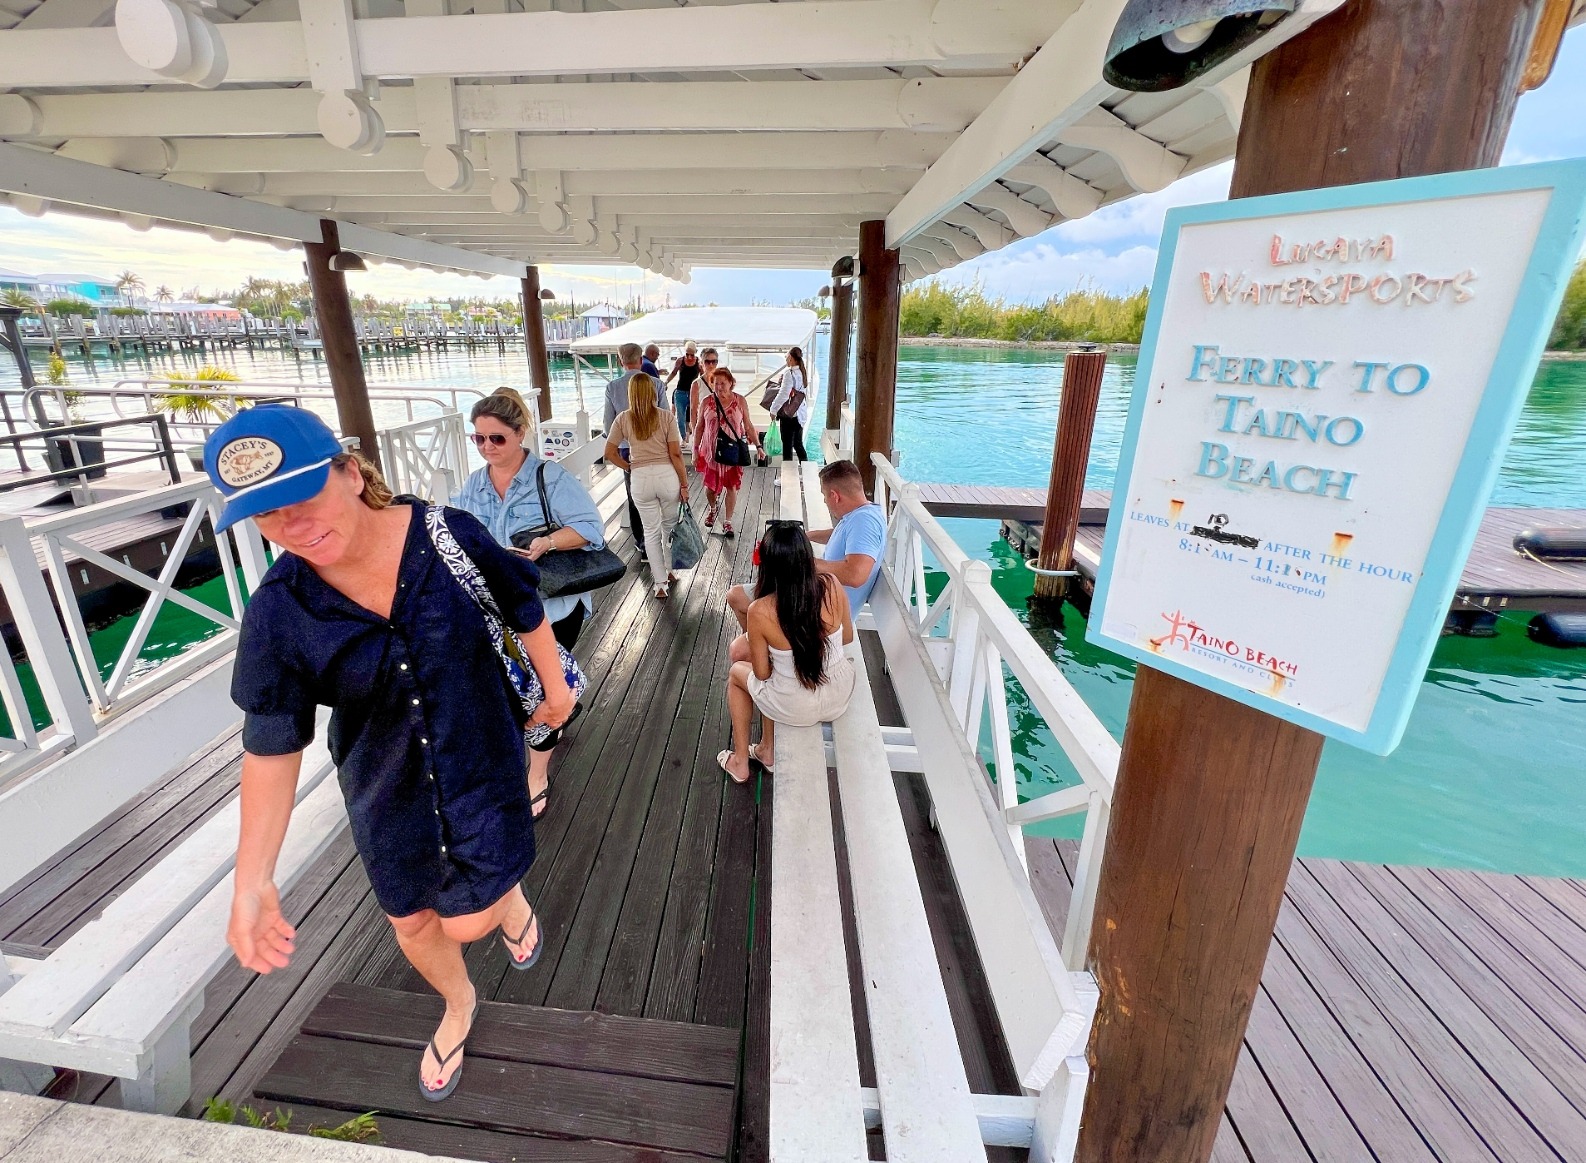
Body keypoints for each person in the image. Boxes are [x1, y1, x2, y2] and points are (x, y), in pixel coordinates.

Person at [211, 405, 571, 1104]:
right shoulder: (280, 610)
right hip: (384, 785)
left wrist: (555, 692)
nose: (293, 526)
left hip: (480, 758)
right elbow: (271, 742)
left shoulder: (447, 535)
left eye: (302, 496)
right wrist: (251, 880)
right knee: (410, 919)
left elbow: (522, 605)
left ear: (350, 473)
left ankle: (508, 901)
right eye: (266, 515)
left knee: (468, 917)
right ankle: (459, 1003)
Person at [454, 386, 605, 819]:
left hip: (550, 606)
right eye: (478, 438)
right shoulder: (474, 484)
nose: (486, 447)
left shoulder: (550, 478)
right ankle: (558, 710)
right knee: (519, 690)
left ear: (520, 433)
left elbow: (591, 529)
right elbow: (455, 532)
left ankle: (536, 775)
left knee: (539, 691)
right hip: (497, 611)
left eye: (496, 438)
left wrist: (547, 542)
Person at [718, 521, 855, 785]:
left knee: (737, 674)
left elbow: (762, 674)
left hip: (795, 705)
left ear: (768, 565)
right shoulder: (832, 584)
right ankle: (766, 749)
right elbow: (847, 636)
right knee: (775, 676)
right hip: (838, 694)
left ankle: (740, 761)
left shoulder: (760, 610)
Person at [726, 458, 885, 631]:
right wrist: (804, 536)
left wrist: (800, 561)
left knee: (736, 596)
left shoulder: (864, 522)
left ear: (835, 496)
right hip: (815, 598)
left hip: (820, 616)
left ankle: (766, 645)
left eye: (825, 495)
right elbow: (840, 536)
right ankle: (766, 643)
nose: (825, 501)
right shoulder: (862, 514)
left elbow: (855, 575)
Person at [604, 373, 689, 598]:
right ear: (652, 392)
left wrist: (628, 467)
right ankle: (670, 571)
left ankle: (660, 584)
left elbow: (609, 452)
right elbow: (676, 454)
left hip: (640, 478)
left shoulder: (623, 418)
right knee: (669, 527)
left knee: (650, 532)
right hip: (666, 476)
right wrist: (684, 484)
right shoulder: (666, 417)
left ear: (631, 393)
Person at [605, 342, 671, 563]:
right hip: (657, 449)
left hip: (627, 450)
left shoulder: (612, 387)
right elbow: (666, 417)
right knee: (659, 495)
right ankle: (661, 544)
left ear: (620, 361)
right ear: (641, 360)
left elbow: (608, 426)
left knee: (636, 497)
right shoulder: (656, 384)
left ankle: (643, 545)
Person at [694, 364, 756, 539]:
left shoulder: (740, 401)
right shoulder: (707, 402)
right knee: (710, 488)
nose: (719, 386)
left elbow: (748, 425)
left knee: (731, 486)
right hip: (711, 453)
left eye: (723, 383)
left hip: (732, 452)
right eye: (716, 383)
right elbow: (699, 427)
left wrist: (759, 447)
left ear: (731, 383)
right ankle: (713, 508)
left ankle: (727, 521)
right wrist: (695, 450)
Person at [767, 346, 811, 464]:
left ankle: (787, 473)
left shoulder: (789, 373)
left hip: (788, 415)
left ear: (791, 358)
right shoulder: (802, 372)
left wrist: (773, 409)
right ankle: (805, 468)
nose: (786, 358)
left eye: (786, 356)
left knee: (787, 447)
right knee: (798, 444)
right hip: (799, 414)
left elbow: (784, 394)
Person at [665, 340, 703, 443]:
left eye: (692, 355)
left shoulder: (698, 362)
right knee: (680, 417)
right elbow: (673, 373)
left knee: (694, 415)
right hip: (680, 392)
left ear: (695, 353)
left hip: (693, 393)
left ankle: (693, 436)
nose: (689, 357)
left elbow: (703, 377)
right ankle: (684, 438)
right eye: (687, 354)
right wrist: (666, 382)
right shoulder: (680, 361)